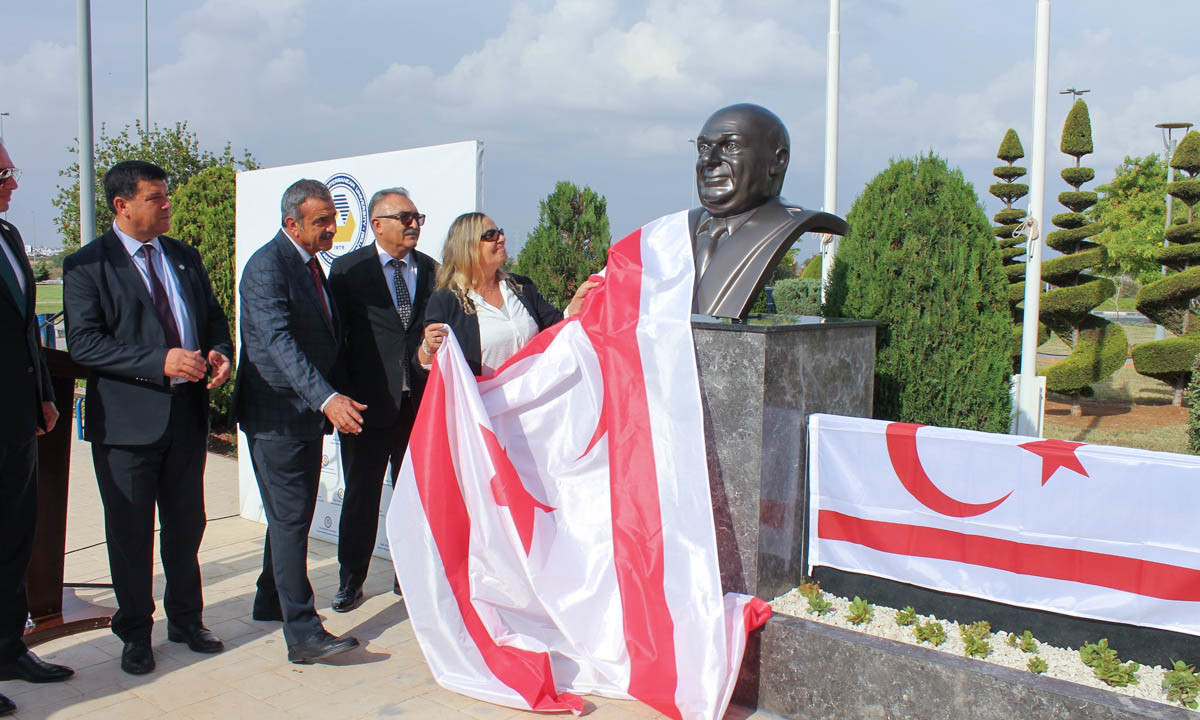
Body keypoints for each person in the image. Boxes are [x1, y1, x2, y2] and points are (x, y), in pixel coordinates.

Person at [62, 160, 233, 675]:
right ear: (122, 206)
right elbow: (84, 344)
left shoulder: (183, 256)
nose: (167, 205)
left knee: (186, 525)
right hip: (127, 425)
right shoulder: (88, 264)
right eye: (155, 197)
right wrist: (159, 362)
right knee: (131, 533)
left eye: (166, 195)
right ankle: (136, 632)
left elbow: (212, 317)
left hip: (185, 416)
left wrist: (220, 351)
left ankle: (187, 620)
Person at [233, 179, 363, 664]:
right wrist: (326, 398)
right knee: (290, 520)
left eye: (333, 218)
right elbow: (278, 343)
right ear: (292, 223)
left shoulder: (310, 264)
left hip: (301, 416)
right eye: (321, 221)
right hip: (277, 416)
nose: (332, 228)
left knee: (291, 516)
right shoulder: (268, 267)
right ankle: (304, 634)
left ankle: (270, 598)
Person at [327, 188, 437, 612]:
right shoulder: (348, 270)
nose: (413, 225)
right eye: (404, 217)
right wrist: (339, 398)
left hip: (418, 407)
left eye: (417, 217)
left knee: (413, 498)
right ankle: (350, 580)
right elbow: (336, 339)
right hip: (366, 407)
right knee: (362, 496)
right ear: (376, 224)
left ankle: (406, 577)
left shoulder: (432, 270)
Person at [0, 140, 72, 716]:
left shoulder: (9, 236)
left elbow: (27, 331)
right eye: (3, 173)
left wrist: (44, 395)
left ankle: (7, 649)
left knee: (14, 540)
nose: (14, 184)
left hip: (18, 421)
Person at [689, 103, 847, 319]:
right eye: (704, 148)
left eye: (730, 146)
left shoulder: (787, 224)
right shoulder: (676, 231)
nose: (708, 159)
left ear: (777, 160)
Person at [419, 212, 596, 376]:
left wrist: (574, 308)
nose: (502, 239)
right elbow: (428, 367)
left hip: (531, 395)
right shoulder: (446, 299)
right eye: (491, 235)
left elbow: (554, 329)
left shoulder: (522, 286)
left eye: (500, 232)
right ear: (467, 246)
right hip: (482, 398)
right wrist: (428, 348)